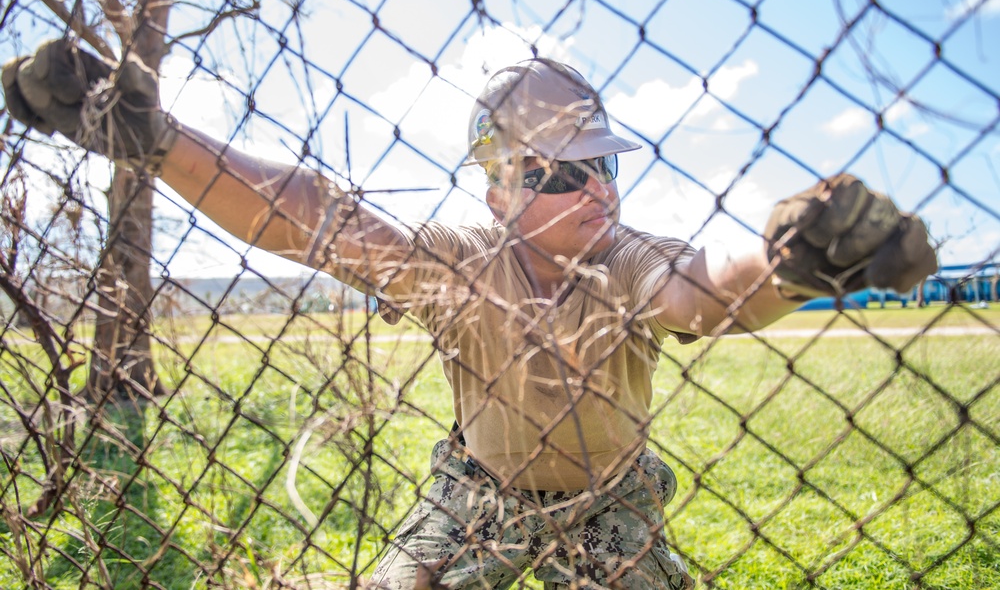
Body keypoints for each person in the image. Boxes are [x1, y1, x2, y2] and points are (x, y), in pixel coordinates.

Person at [2, 40, 937, 589]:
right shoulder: (460, 264)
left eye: (604, 164)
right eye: (561, 171)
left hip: (611, 497)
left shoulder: (627, 258)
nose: (593, 188)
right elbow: (316, 222)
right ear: (497, 189)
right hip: (476, 491)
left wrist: (794, 256)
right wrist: (159, 143)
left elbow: (704, 293)